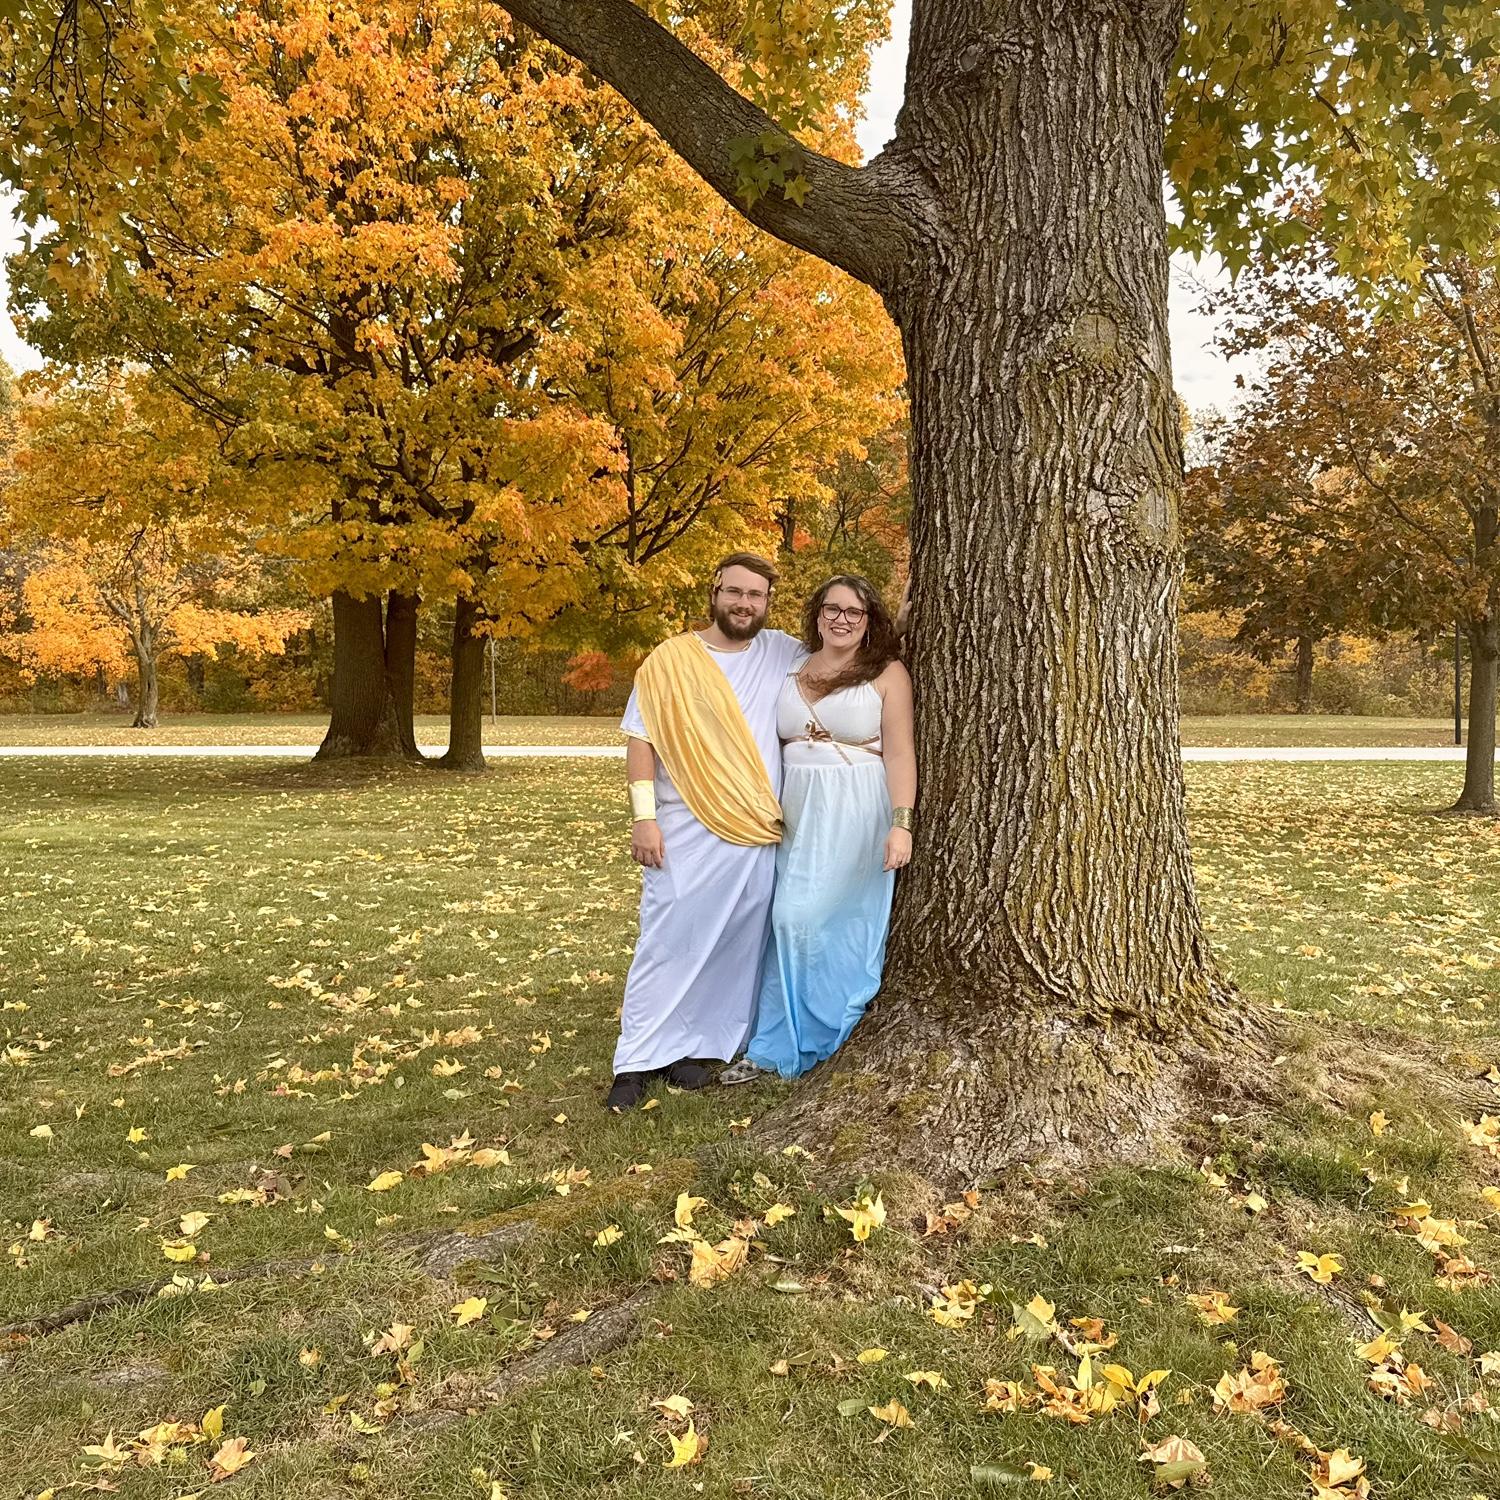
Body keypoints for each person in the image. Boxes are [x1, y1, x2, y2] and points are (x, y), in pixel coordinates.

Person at [606, 553, 807, 1112]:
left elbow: (847, 648)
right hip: (682, 828)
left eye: (756, 595)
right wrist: (643, 817)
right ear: (714, 592)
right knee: (667, 941)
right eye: (734, 592)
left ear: (767, 602)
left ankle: (689, 1048)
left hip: (755, 829)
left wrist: (902, 621)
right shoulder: (671, 660)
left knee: (732, 943)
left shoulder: (782, 652)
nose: (744, 603)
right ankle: (634, 1061)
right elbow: (641, 741)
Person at [721, 575, 915, 1083]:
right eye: (832, 609)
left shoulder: (887, 673)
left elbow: (900, 753)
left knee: (827, 921)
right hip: (797, 810)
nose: (841, 620)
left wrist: (901, 823)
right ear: (818, 613)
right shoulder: (792, 665)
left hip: (857, 810)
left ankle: (825, 1030)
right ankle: (774, 1043)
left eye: (854, 612)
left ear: (869, 620)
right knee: (786, 922)